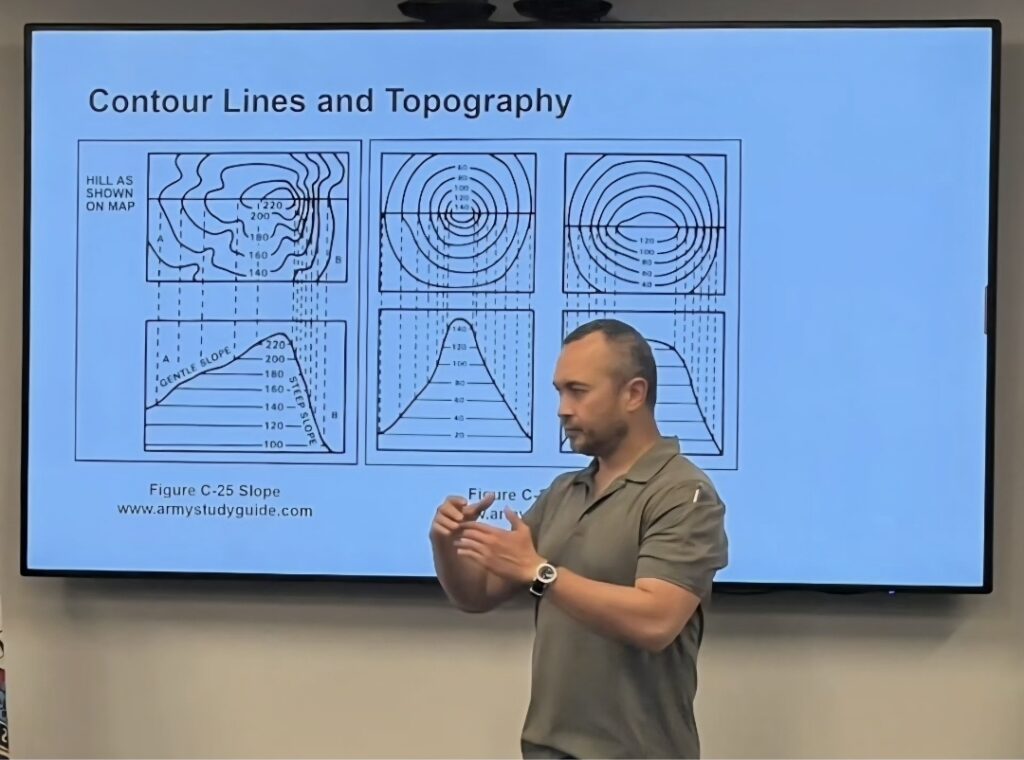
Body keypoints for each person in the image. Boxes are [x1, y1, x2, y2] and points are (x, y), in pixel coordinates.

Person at [429, 319, 729, 759]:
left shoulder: (683, 494)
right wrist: (446, 543)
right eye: (560, 392)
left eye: (578, 391)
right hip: (547, 750)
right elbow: (476, 595)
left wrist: (542, 574)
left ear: (634, 394)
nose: (562, 409)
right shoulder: (563, 492)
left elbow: (657, 621)